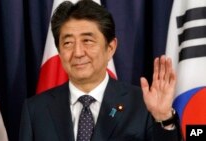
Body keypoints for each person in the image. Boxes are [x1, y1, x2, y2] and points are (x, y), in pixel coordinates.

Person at [19, 0, 182, 141]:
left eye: (87, 41)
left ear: (110, 47)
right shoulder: (35, 110)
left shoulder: (142, 104)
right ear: (59, 51)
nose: (77, 52)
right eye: (68, 43)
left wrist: (164, 118)